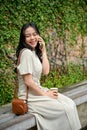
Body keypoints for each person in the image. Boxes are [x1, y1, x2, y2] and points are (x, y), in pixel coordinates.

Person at [16, 22, 81, 130]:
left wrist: (44, 50)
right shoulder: (26, 53)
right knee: (63, 109)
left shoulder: (33, 52)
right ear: (23, 38)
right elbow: (28, 81)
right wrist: (46, 95)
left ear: (38, 35)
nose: (32, 38)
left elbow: (46, 71)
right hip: (29, 98)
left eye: (35, 34)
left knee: (70, 103)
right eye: (28, 36)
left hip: (38, 92)